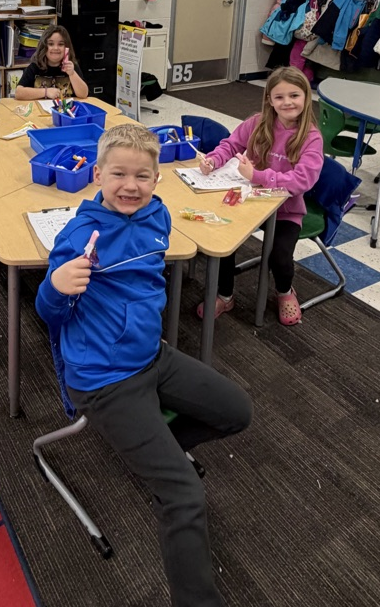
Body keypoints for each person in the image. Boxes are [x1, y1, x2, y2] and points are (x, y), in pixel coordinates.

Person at [36, 125, 252, 607]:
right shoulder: (81, 235)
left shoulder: (157, 213)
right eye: (118, 174)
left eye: (142, 175)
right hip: (106, 380)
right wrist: (54, 286)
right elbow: (49, 313)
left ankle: (158, 454)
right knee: (185, 497)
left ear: (157, 179)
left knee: (237, 411)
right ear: (97, 175)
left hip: (152, 356)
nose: (130, 185)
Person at [197, 66, 324, 326]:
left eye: (294, 95)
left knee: (280, 255)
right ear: (269, 100)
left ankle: (285, 291)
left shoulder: (311, 137)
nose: (287, 102)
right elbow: (231, 144)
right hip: (248, 201)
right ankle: (225, 295)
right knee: (223, 240)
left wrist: (257, 175)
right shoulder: (258, 122)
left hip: (285, 210)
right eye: (279, 97)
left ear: (306, 97)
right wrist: (213, 160)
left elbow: (303, 180)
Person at [14, 23, 88, 100]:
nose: (55, 48)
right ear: (44, 47)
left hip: (65, 110)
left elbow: (83, 94)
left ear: (66, 47)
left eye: (60, 44)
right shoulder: (35, 66)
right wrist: (46, 92)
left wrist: (72, 74)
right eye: (51, 44)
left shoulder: (72, 67)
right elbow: (18, 93)